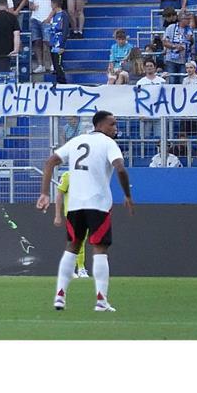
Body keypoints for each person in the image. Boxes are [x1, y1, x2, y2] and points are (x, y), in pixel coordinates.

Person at [37, 110, 134, 312]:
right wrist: (127, 195)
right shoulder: (108, 144)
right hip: (98, 204)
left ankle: (59, 297)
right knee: (100, 250)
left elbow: (49, 162)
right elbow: (121, 169)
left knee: (71, 247)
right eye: (112, 124)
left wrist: (44, 193)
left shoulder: (76, 141)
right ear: (100, 125)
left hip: (75, 206)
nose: (115, 128)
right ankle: (101, 300)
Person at [54, 169, 90, 279]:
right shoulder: (67, 176)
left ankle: (75, 268)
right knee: (76, 241)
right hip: (72, 213)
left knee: (82, 241)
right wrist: (57, 215)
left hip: (87, 212)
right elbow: (59, 195)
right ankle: (79, 268)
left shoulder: (89, 177)